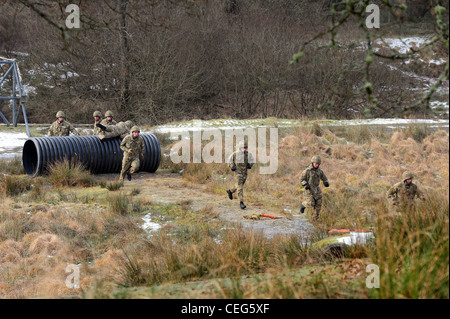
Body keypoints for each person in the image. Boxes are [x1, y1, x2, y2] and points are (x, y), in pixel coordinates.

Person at [299, 155, 330, 221]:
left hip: (316, 190)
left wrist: (325, 182)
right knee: (311, 203)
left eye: (318, 164)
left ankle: (315, 219)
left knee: (318, 204)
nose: (317, 165)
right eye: (316, 164)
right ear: (312, 163)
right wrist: (305, 184)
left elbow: (324, 178)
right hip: (309, 190)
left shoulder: (320, 171)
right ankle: (303, 205)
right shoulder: (307, 171)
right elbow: (301, 179)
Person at [226, 140, 254, 209]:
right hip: (237, 173)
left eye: (245, 148)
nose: (243, 149)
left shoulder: (248, 154)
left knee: (239, 186)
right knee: (240, 187)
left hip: (244, 173)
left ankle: (230, 191)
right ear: (239, 147)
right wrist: (232, 166)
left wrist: (250, 165)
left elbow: (252, 160)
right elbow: (229, 160)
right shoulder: (235, 154)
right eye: (242, 148)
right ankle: (241, 202)